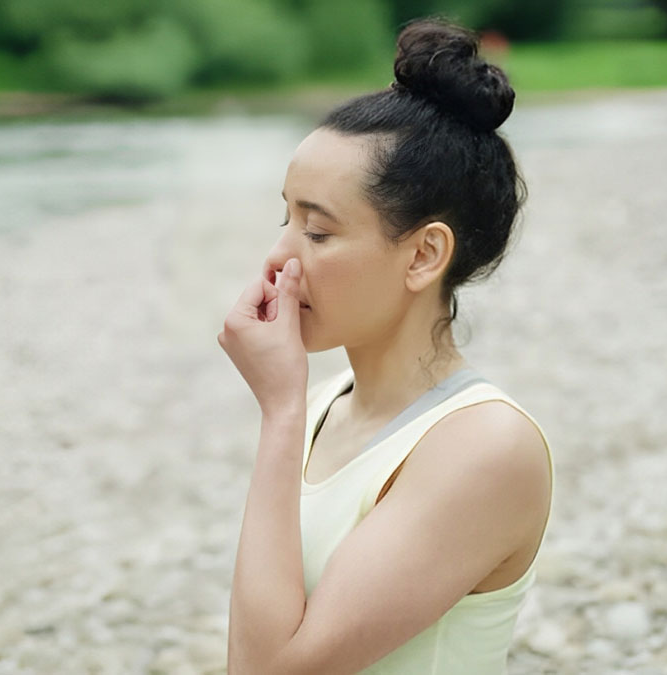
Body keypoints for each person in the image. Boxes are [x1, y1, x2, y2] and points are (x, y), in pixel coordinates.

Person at [216, 15, 554, 675]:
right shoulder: (322, 404)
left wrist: (278, 412)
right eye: (286, 218)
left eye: (317, 231)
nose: (280, 259)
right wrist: (290, 410)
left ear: (424, 254)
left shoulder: (486, 448)